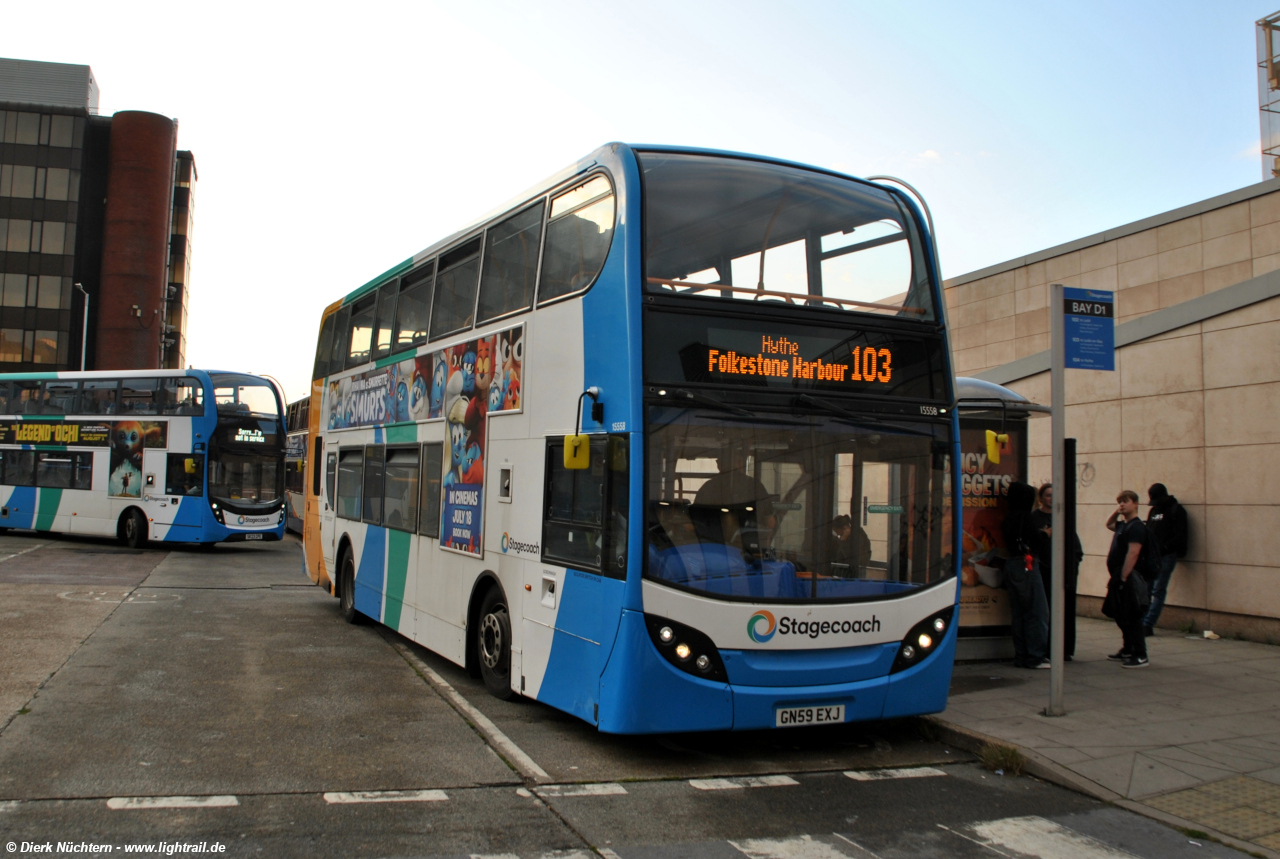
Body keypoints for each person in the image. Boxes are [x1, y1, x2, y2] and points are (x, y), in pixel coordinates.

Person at [1029, 483, 1083, 660]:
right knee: (1044, 611)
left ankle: (1064, 649)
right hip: (1042, 570)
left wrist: (1072, 566)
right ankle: (1046, 648)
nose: (1051, 499)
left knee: (1064, 610)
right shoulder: (1034, 517)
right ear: (1041, 498)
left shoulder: (1062, 517)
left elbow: (1075, 546)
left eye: (1054, 495)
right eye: (1048, 495)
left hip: (1062, 572)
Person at [1002, 482, 1049, 669]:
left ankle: (1021, 655)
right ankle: (1036, 656)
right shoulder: (1026, 518)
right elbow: (1035, 539)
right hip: (1027, 564)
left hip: (1011, 564)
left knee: (1019, 613)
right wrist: (1045, 533)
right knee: (1036, 611)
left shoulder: (1008, 519)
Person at [1105, 490, 1151, 668]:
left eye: (1125, 501)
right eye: (1119, 502)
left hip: (1129, 578)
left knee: (1132, 616)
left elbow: (1133, 553)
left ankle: (1140, 654)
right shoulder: (1123, 526)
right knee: (1120, 614)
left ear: (1136, 504)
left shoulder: (1137, 527)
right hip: (1119, 576)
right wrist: (1116, 512)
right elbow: (1108, 524)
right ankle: (1128, 648)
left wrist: (1124, 577)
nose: (1122, 504)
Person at [1143, 483, 1188, 637]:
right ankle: (1143, 621)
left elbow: (1180, 535)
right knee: (1147, 589)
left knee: (1158, 589)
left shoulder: (1176, 510)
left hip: (1166, 555)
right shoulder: (1154, 511)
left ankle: (1148, 624)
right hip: (1152, 556)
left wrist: (1164, 548)